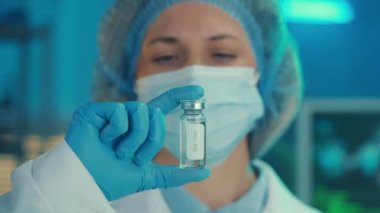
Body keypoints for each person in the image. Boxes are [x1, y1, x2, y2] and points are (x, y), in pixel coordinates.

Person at [0, 0, 321, 212]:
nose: (194, 74)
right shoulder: (63, 204)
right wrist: (63, 193)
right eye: (165, 57)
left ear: (265, 77)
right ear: (129, 82)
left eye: (222, 54)